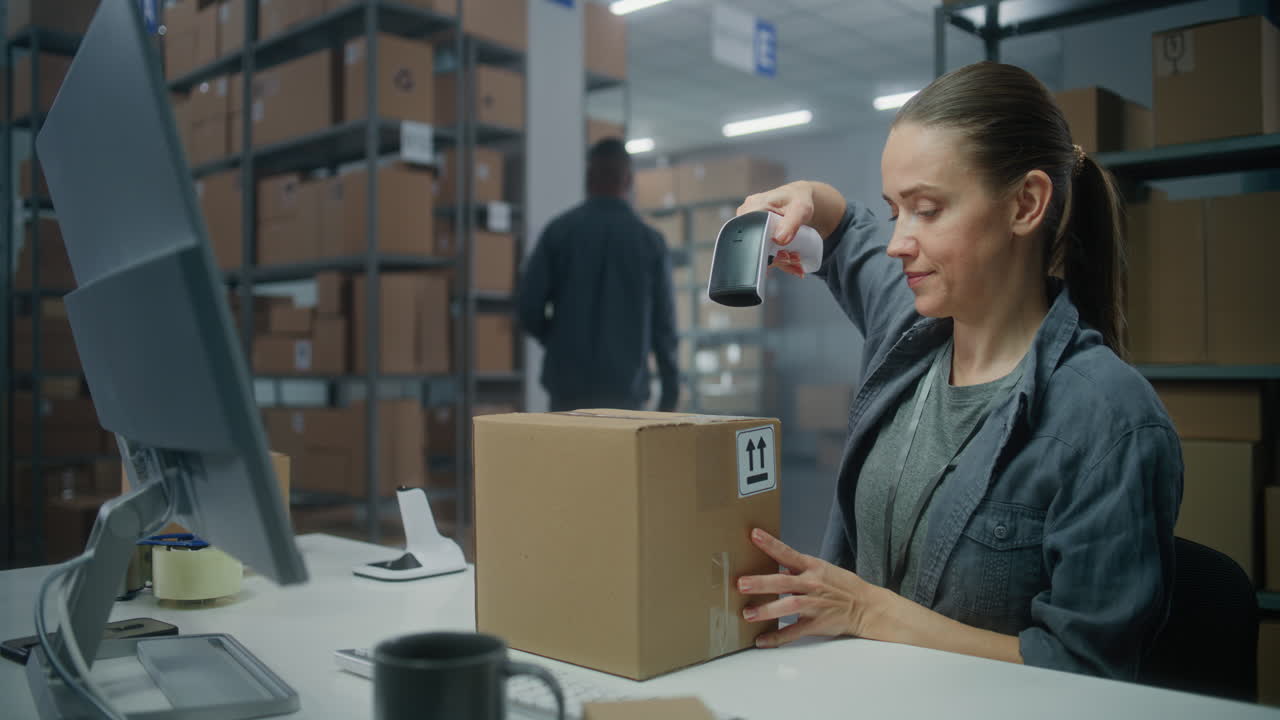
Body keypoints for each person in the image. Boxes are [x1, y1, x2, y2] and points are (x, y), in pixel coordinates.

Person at [733, 62, 1182, 680]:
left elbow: (1085, 669)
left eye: (927, 210)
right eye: (896, 211)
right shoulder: (911, 324)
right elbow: (846, 232)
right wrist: (808, 197)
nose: (898, 242)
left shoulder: (1110, 420)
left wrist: (868, 612)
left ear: (1025, 204)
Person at [518, 138, 680, 412]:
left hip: (567, 393)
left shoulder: (559, 232)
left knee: (567, 456)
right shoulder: (650, 242)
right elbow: (664, 328)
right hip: (626, 395)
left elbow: (528, 307)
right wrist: (670, 393)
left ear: (588, 178)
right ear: (628, 181)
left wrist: (557, 339)